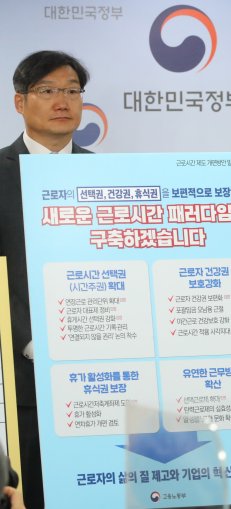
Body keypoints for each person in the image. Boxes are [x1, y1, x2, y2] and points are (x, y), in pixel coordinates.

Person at [0, 50, 91, 509]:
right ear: (20, 102)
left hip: (100, 381)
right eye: (48, 90)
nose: (62, 101)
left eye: (72, 91)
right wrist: (30, 341)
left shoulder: (109, 175)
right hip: (22, 381)